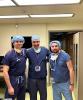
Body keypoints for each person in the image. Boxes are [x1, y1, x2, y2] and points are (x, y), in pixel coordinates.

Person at [2, 35, 27, 100]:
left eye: (21, 41)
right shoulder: (9, 54)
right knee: (9, 98)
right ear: (13, 43)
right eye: (17, 41)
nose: (19, 43)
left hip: (22, 80)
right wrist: (10, 87)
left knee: (21, 98)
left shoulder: (24, 52)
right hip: (12, 80)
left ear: (23, 42)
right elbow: (5, 72)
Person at [27, 35, 50, 100]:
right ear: (32, 42)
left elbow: (51, 56)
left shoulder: (44, 50)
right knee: (32, 96)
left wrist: (45, 60)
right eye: (34, 42)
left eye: (37, 42)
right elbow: (22, 58)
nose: (36, 43)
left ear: (39, 42)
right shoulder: (28, 51)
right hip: (32, 78)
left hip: (42, 78)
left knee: (43, 95)